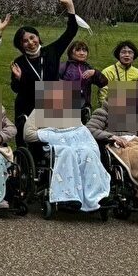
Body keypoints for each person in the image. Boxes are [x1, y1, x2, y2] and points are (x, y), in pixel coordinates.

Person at [23, 81, 110, 213]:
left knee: (88, 152)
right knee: (67, 152)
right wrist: (51, 135)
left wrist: (70, 136)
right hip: (51, 149)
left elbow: (80, 131)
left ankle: (97, 195)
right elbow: (28, 134)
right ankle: (67, 196)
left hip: (76, 146)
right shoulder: (40, 111)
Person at [9, 0, 79, 123]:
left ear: (37, 37)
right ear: (20, 45)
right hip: (28, 107)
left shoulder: (52, 51)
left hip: (52, 102)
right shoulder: (19, 62)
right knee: (29, 140)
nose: (30, 42)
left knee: (52, 138)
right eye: (25, 41)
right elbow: (15, 89)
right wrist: (19, 79)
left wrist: (70, 7)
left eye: (32, 37)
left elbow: (71, 31)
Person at [59, 40, 108, 115]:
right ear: (71, 52)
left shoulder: (88, 68)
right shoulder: (64, 66)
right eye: (78, 50)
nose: (82, 53)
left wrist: (95, 73)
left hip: (84, 107)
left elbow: (103, 82)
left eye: (84, 50)